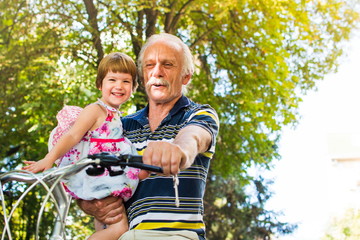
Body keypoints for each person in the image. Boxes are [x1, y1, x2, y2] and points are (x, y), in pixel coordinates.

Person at [78, 33, 219, 240]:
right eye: (149, 65)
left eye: (168, 65)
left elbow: (194, 138)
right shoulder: (119, 126)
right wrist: (89, 204)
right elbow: (91, 176)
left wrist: (177, 150)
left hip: (179, 235)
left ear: (186, 76)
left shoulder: (198, 114)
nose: (157, 72)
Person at [23, 52, 140, 240]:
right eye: (112, 80)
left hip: (107, 177)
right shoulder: (95, 110)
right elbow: (73, 135)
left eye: (126, 81)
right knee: (119, 229)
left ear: (133, 87)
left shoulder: (116, 115)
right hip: (100, 178)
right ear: (100, 84)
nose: (119, 86)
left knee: (104, 229)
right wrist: (49, 159)